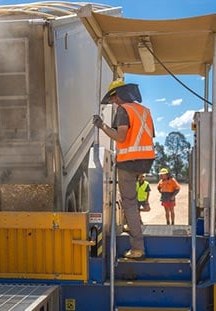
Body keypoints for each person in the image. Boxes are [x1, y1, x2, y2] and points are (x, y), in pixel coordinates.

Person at [93, 80, 155, 260]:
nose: (113, 102)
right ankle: (131, 223)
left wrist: (102, 126)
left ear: (118, 95)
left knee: (128, 201)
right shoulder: (144, 111)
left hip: (129, 161)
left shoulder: (123, 110)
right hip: (145, 160)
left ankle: (137, 248)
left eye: (113, 98)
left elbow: (120, 137)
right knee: (131, 198)